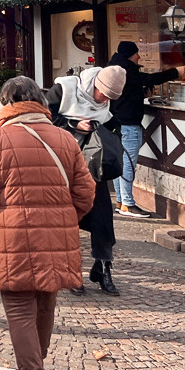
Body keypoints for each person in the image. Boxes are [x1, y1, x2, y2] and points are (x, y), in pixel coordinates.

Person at [0, 77, 96, 370]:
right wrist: (63, 220)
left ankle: (32, 368)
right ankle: (38, 358)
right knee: (45, 299)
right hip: (55, 236)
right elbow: (86, 191)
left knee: (19, 307)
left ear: (5, 105)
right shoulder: (64, 138)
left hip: (9, 237)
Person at [46, 65, 126, 296]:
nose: (104, 101)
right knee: (67, 216)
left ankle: (103, 265)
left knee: (102, 216)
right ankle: (71, 270)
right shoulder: (65, 89)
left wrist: (101, 129)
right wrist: (73, 124)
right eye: (103, 95)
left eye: (110, 98)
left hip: (92, 164)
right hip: (62, 162)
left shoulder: (110, 99)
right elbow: (43, 117)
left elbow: (114, 124)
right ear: (95, 85)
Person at [107, 40, 185, 217]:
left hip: (116, 124)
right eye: (136, 53)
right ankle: (128, 203)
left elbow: (127, 92)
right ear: (130, 55)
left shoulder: (114, 69)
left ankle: (121, 202)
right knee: (128, 164)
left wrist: (140, 93)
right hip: (128, 125)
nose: (139, 56)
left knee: (119, 164)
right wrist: (177, 71)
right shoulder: (126, 70)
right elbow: (150, 79)